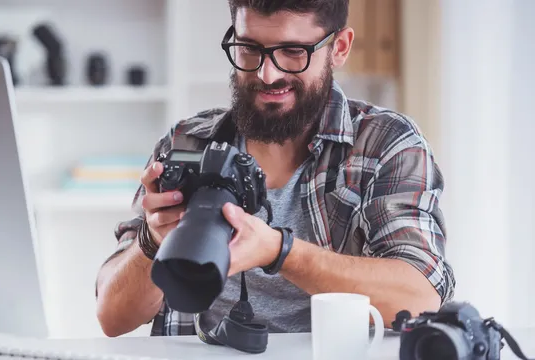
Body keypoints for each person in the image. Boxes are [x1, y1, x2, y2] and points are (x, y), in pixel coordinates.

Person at [95, 0, 455, 337]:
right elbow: (113, 317)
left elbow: (420, 295)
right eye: (249, 48)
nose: (267, 75)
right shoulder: (188, 143)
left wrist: (280, 252)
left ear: (340, 47)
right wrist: (153, 239)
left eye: (293, 52)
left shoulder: (384, 144)